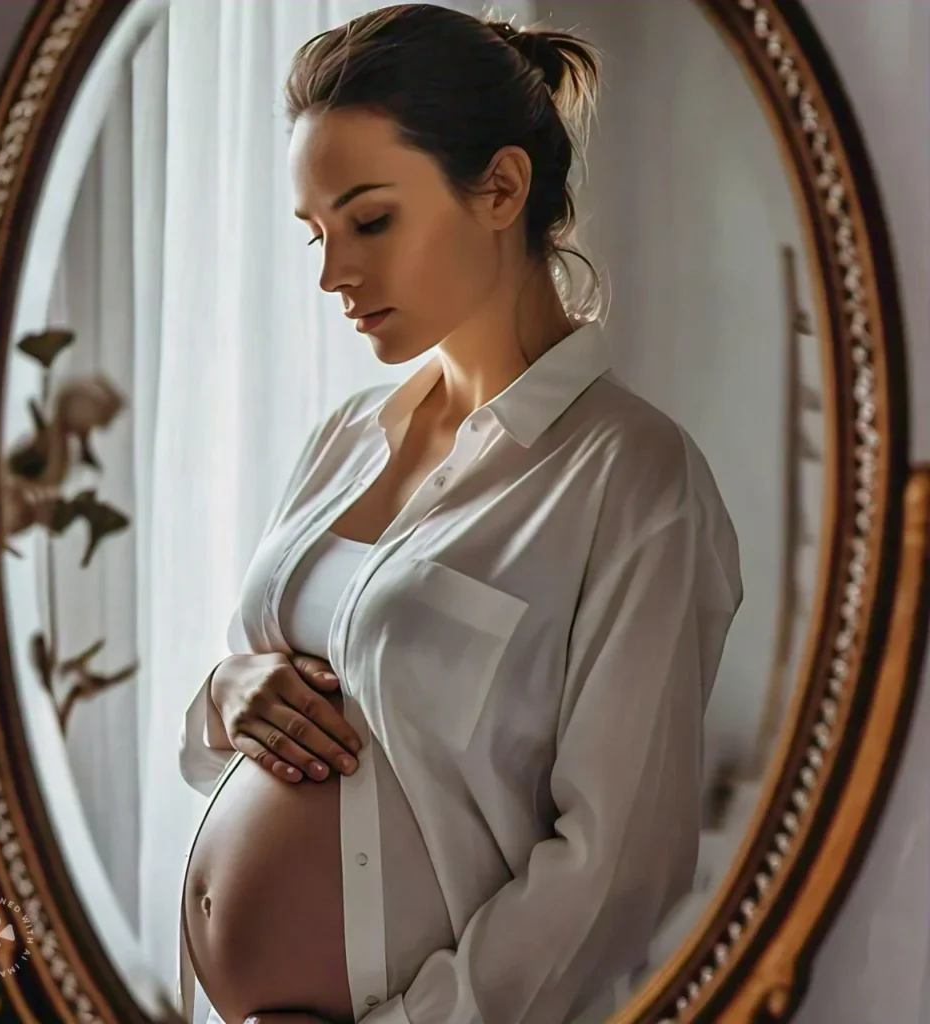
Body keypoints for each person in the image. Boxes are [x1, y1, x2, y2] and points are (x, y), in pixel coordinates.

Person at [176, 5, 743, 1024]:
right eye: (316, 233)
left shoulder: (634, 479)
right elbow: (235, 728)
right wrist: (228, 693)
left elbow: (616, 871)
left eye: (371, 219)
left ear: (500, 187)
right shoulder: (345, 437)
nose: (332, 275)